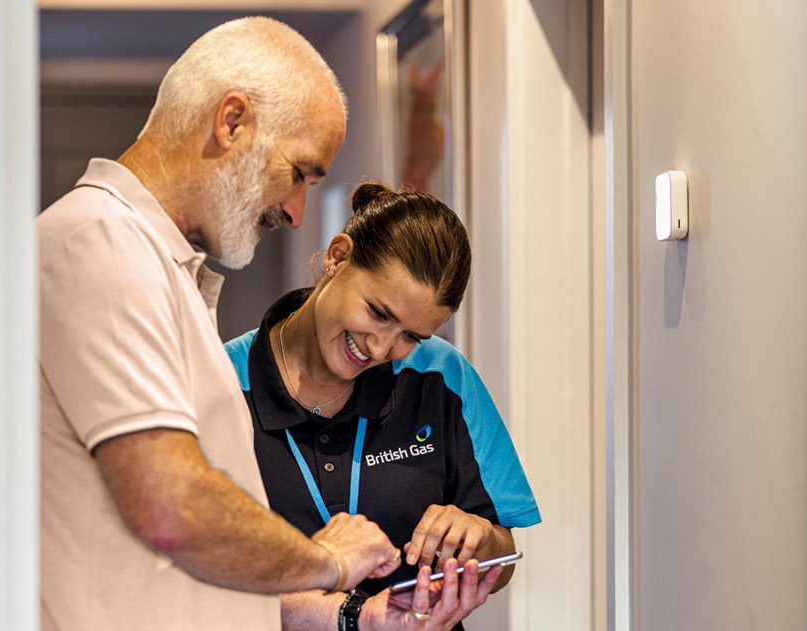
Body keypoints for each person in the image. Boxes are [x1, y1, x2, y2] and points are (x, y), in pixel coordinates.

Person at [37, 18, 402, 631]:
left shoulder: (154, 261)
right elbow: (174, 507)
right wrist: (327, 561)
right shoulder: (100, 241)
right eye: (300, 174)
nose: (295, 212)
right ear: (231, 122)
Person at [225, 183, 542, 631]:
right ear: (337, 257)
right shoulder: (219, 385)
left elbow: (502, 562)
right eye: (378, 312)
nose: (379, 348)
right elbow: (194, 578)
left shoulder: (442, 377)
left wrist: (479, 538)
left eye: (411, 336)